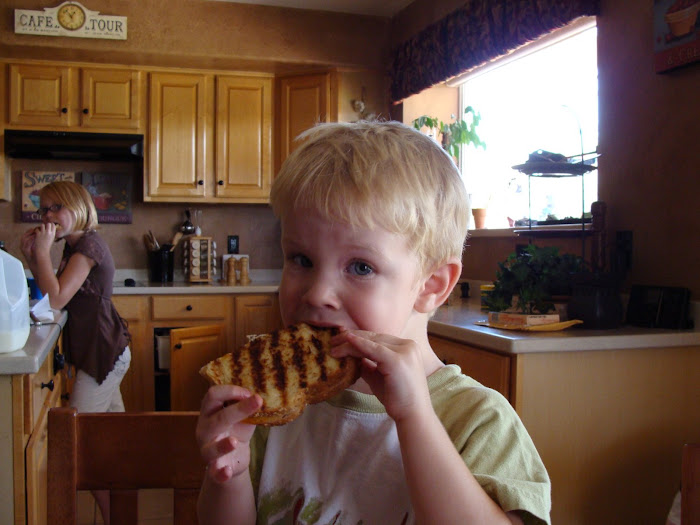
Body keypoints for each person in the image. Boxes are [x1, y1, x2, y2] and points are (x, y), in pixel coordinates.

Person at [196, 121, 551, 524]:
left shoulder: (477, 420)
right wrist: (229, 476)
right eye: (301, 259)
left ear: (431, 286)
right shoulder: (270, 411)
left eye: (361, 267)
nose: (316, 293)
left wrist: (414, 417)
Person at [21, 180, 131, 525]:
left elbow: (55, 300)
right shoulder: (74, 246)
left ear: (78, 206)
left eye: (57, 207)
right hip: (103, 353)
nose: (49, 215)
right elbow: (53, 298)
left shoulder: (89, 246)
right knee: (114, 444)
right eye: (44, 209)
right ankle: (122, 516)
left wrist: (40, 254)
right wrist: (34, 256)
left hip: (102, 356)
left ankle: (115, 518)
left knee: (80, 445)